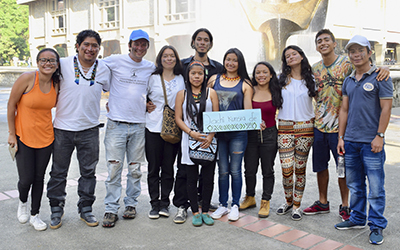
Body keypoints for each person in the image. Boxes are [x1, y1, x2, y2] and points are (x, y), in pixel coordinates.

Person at [303, 29, 390, 221]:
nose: (323, 43)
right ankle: (323, 202)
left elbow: (366, 67)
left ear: (335, 44)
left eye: (327, 40)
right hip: (320, 126)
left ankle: (346, 205)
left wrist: (384, 69)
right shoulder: (314, 68)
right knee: (320, 167)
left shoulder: (347, 62)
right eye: (319, 41)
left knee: (343, 169)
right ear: (316, 46)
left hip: (342, 129)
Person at [47, 30, 110, 229]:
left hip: (90, 130)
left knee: (88, 173)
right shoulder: (63, 64)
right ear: (78, 46)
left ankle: (86, 209)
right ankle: (56, 209)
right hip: (62, 130)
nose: (90, 49)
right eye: (86, 45)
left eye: (94, 46)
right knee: (58, 172)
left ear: (99, 49)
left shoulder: (104, 69)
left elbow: (111, 91)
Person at [334, 35, 392, 245]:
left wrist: (380, 135)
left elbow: (386, 108)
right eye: (352, 51)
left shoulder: (380, 77)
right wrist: (341, 137)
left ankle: (376, 225)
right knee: (355, 185)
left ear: (369, 52)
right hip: (350, 141)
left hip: (372, 143)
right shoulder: (349, 80)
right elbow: (344, 110)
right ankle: (357, 218)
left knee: (376, 188)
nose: (356, 54)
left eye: (360, 50)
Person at [102, 29, 155, 228]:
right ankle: (110, 208)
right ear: (130, 45)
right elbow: (93, 67)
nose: (140, 48)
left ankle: (131, 204)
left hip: (139, 125)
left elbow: (157, 88)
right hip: (116, 124)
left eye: (144, 45)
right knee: (114, 168)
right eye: (137, 44)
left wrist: (150, 101)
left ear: (147, 47)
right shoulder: (114, 60)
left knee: (134, 169)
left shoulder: (150, 67)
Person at [172, 28, 223, 224]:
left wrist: (210, 135)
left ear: (204, 75)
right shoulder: (181, 95)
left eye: (200, 74)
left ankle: (205, 211)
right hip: (189, 139)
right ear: (188, 75)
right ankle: (194, 212)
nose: (196, 77)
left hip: (209, 140)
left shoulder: (211, 93)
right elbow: (178, 118)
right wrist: (191, 133)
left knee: (208, 177)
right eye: (193, 73)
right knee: (190, 176)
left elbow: (216, 117)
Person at [8, 48, 61, 231]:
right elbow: (11, 104)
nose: (48, 63)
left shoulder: (57, 83)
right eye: (44, 60)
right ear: (38, 62)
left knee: (39, 178)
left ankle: (34, 215)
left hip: (46, 137)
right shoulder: (28, 79)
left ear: (57, 64)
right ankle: (22, 202)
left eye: (52, 60)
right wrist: (11, 133)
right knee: (26, 179)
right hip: (24, 136)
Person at [208, 48, 253, 221]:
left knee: (235, 170)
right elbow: (205, 102)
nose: (230, 63)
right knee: (222, 170)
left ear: (239, 63)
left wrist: (256, 121)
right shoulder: (214, 80)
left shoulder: (245, 84)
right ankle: (222, 204)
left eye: (234, 60)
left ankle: (235, 204)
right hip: (218, 134)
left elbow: (248, 111)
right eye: (228, 59)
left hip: (238, 134)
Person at [275, 45, 316, 221]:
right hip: (284, 127)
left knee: (300, 169)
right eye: (287, 56)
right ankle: (288, 201)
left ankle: (297, 205)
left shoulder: (312, 79)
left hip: (306, 128)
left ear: (301, 56)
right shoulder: (279, 79)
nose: (291, 57)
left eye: (294, 54)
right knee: (286, 170)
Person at [145, 45, 184, 219]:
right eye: (165, 56)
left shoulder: (182, 78)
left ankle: (165, 202)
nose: (169, 59)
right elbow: (140, 96)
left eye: (172, 56)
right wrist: (145, 103)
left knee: (168, 167)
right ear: (160, 59)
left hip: (173, 128)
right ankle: (154, 203)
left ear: (176, 59)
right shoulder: (152, 78)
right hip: (153, 127)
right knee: (154, 167)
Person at [240, 62, 281, 218]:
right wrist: (253, 120)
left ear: (271, 74)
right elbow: (246, 110)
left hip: (270, 134)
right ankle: (250, 197)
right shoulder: (250, 89)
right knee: (249, 169)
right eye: (258, 72)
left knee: (267, 169)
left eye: (265, 72)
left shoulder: (276, 90)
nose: (261, 75)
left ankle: (265, 200)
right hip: (251, 134)